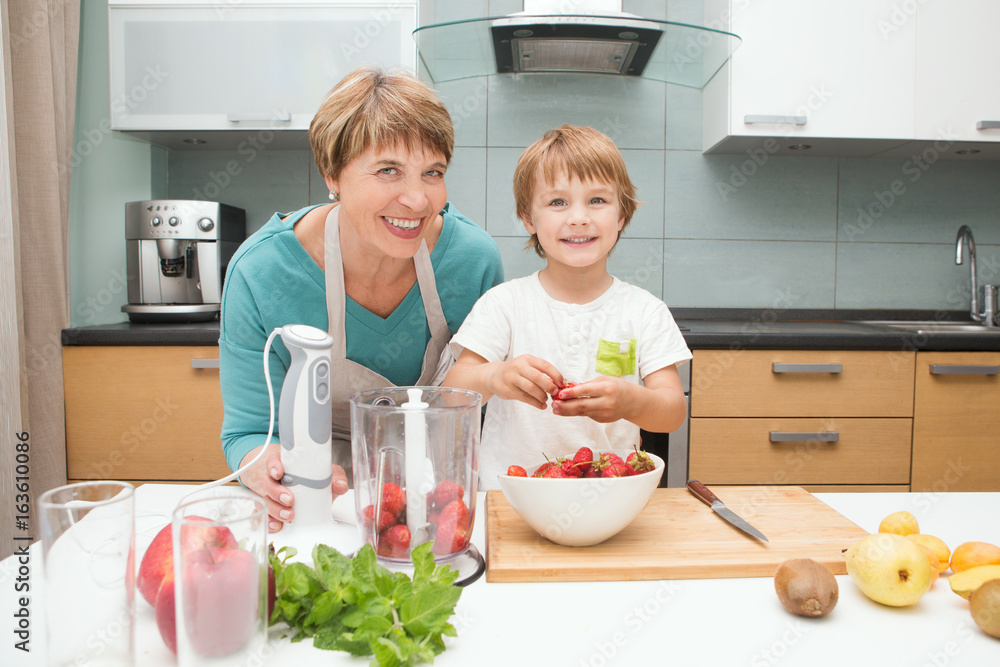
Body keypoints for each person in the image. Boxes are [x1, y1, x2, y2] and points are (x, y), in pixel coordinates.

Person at [219, 67, 504, 531]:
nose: (416, 199)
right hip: (312, 502)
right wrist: (264, 466)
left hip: (439, 507)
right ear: (331, 173)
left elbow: (481, 417)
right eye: (388, 170)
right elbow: (249, 431)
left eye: (432, 172)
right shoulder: (261, 272)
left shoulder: (472, 262)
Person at [443, 124, 690, 488]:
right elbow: (451, 396)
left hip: (608, 497)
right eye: (558, 202)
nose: (578, 217)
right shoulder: (505, 303)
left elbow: (672, 412)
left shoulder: (645, 311)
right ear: (528, 218)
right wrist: (493, 376)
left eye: (597, 200)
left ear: (621, 216)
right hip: (509, 498)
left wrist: (630, 402)